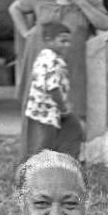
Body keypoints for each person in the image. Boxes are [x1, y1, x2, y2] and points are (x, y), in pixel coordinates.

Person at [9, 0, 108, 159]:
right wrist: (24, 32)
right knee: (38, 107)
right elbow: (15, 8)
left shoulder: (89, 0)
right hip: (40, 58)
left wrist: (82, 2)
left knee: (70, 107)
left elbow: (104, 24)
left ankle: (65, 159)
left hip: (72, 63)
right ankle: (34, 158)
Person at [24, 21, 83, 159]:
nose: (67, 45)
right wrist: (63, 108)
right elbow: (52, 88)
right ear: (48, 41)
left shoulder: (44, 56)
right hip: (47, 111)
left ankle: (48, 165)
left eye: (68, 41)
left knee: (43, 142)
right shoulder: (53, 60)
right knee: (44, 144)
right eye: (63, 41)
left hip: (39, 109)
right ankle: (37, 171)